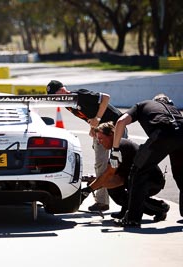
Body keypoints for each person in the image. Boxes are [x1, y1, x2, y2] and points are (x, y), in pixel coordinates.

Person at [47, 80, 124, 212]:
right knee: (100, 163)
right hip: (100, 129)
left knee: (120, 163)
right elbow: (88, 114)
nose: (56, 99)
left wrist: (97, 118)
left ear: (62, 90)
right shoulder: (68, 104)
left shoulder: (79, 95)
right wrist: (92, 126)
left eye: (56, 96)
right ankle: (102, 202)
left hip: (115, 125)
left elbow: (105, 97)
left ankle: (128, 198)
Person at [110, 93, 183, 227]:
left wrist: (115, 149)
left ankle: (132, 219)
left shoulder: (142, 105)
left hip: (162, 135)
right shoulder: (174, 110)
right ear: (169, 102)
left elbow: (121, 121)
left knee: (138, 173)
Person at [81, 121, 170, 222]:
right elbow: (114, 176)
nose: (100, 142)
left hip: (151, 181)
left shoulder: (121, 146)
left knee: (132, 195)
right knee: (112, 186)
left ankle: (160, 207)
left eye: (101, 139)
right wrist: (95, 183)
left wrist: (88, 190)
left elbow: (108, 173)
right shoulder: (117, 147)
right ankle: (126, 209)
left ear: (111, 135)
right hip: (135, 180)